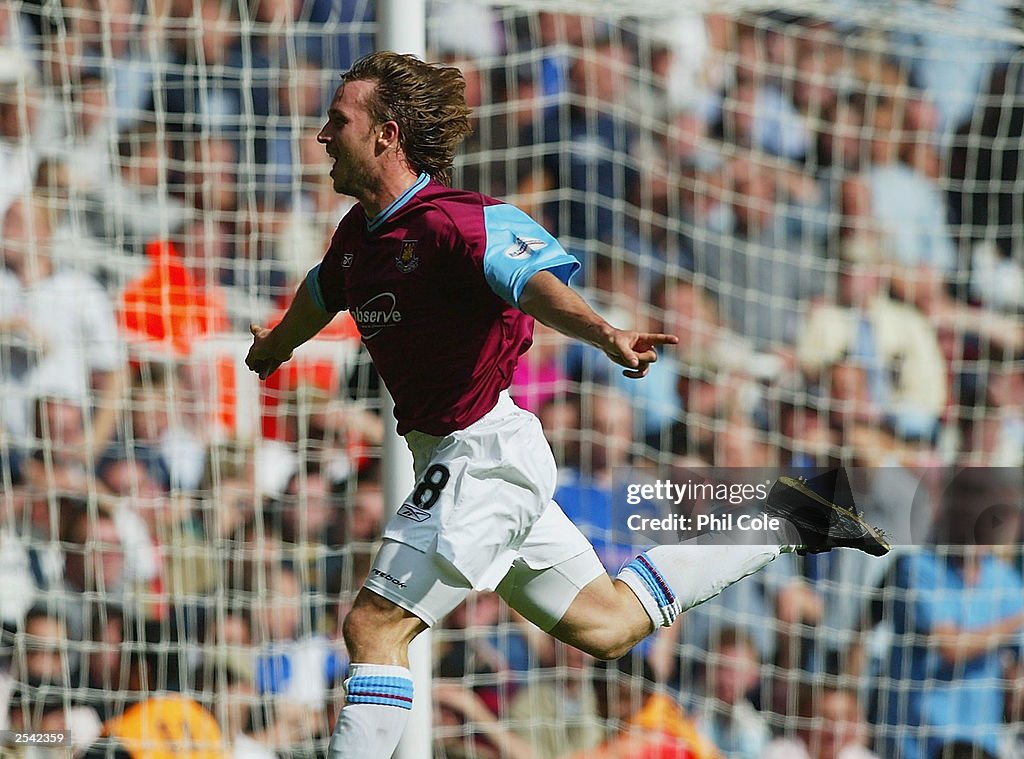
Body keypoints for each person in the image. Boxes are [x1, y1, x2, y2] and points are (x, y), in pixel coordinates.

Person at [244, 51, 891, 758]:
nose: (321, 133)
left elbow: (531, 282)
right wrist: (277, 344)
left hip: (480, 453)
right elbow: (320, 289)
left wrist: (605, 331)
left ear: (386, 135)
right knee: (609, 624)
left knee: (375, 628)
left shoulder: (459, 222)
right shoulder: (356, 240)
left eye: (338, 120)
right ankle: (785, 516)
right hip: (469, 458)